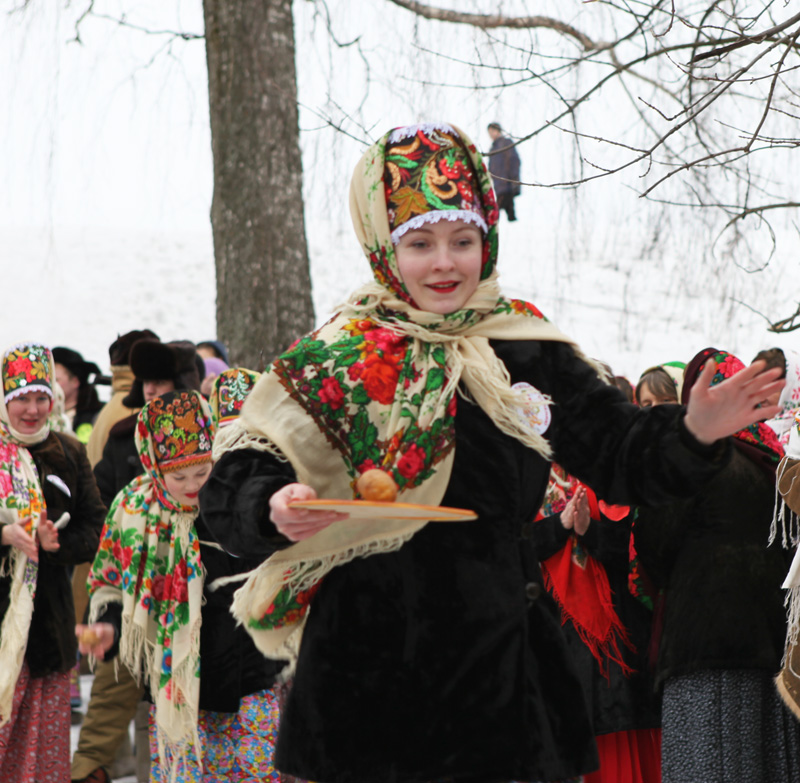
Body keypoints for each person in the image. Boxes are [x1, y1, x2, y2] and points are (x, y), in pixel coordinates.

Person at [200, 122, 784, 783]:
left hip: (502, 685)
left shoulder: (520, 345)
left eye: (463, 239)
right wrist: (272, 503)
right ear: (384, 247)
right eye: (419, 243)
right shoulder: (340, 357)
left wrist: (694, 429)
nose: (444, 263)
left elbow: (618, 452)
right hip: (370, 688)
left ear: (488, 238)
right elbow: (235, 479)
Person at [78, 390, 284, 782]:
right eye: (179, 477)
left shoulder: (234, 497)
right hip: (176, 687)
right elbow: (111, 583)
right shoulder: (135, 512)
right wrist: (109, 625)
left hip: (249, 677)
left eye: (202, 472)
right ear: (155, 468)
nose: (193, 486)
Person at [633, 348, 800, 783]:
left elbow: (655, 543)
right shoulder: (773, 459)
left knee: (709, 763)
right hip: (773, 651)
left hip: (706, 650)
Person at [74, 336, 201, 783]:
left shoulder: (215, 484)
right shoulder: (123, 448)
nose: (151, 390)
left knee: (170, 717)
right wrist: (109, 608)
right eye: (146, 381)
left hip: (194, 630)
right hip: (134, 600)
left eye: (161, 381)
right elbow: (102, 514)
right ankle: (91, 767)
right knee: (117, 690)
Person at [0, 342, 106, 782]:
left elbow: (95, 528)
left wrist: (54, 543)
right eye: (21, 398)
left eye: (41, 397)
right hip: (3, 630)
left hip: (48, 629)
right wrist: (4, 535)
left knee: (41, 756)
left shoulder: (68, 452)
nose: (32, 409)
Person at [52, 346, 103, 444]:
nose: (50, 385)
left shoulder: (95, 416)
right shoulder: (41, 414)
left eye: (56, 380)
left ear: (75, 382)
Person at [752, 347, 800, 447]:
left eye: (769, 389)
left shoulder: (795, 443)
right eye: (755, 386)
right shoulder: (743, 431)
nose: (760, 398)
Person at [487, 121, 521, 221]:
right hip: (498, 186)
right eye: (489, 133)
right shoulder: (492, 148)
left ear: (498, 131)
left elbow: (514, 160)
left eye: (492, 131)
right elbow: (491, 168)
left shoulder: (506, 143)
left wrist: (514, 180)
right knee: (505, 213)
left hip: (507, 184)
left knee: (498, 213)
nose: (490, 135)